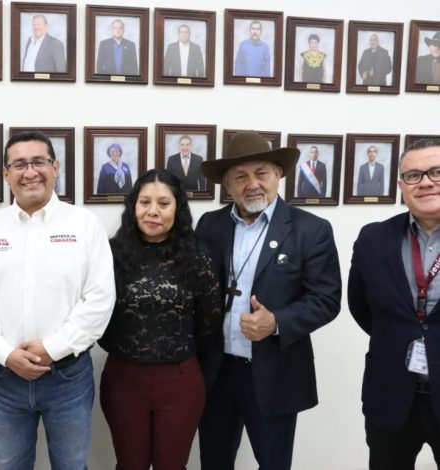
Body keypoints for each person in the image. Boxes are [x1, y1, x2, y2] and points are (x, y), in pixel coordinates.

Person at [0, 131, 115, 470]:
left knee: (71, 466)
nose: (30, 172)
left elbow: (100, 300)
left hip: (68, 375)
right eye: (19, 165)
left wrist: (52, 348)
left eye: (38, 162)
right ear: (6, 174)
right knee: (10, 465)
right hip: (6, 375)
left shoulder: (85, 225)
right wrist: (6, 354)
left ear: (55, 167)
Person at [195, 131, 342, 470]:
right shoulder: (210, 225)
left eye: (261, 173)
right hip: (216, 372)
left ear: (278, 173)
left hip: (274, 374)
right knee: (213, 462)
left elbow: (326, 299)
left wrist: (276, 321)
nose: (252, 184)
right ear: (227, 184)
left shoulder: (311, 230)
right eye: (240, 176)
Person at [99, 169, 221, 469]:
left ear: (178, 209)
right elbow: (95, 316)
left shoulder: (197, 254)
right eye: (144, 202)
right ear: (134, 206)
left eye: (163, 203)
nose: (152, 211)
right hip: (123, 380)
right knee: (130, 465)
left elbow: (210, 321)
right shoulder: (110, 254)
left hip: (180, 381)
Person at [349, 137, 440, 469]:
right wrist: (400, 334)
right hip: (391, 395)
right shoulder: (373, 238)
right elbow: (361, 307)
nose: (425, 182)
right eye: (413, 175)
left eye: (436, 172)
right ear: (402, 186)